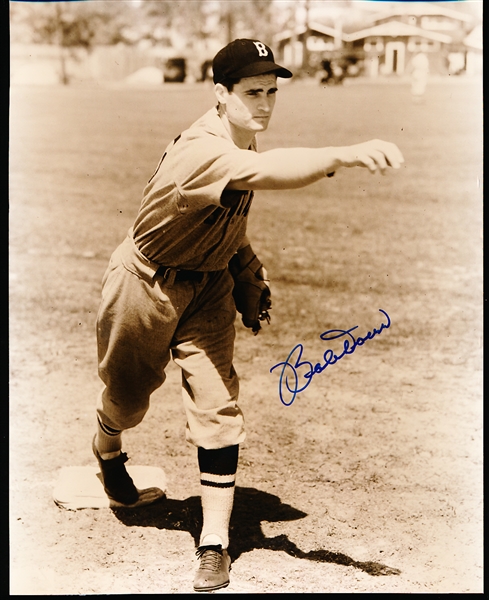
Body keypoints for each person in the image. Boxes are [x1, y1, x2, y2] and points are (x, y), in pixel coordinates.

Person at [92, 38, 404, 592]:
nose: (263, 103)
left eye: (271, 92)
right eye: (251, 92)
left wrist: (245, 270)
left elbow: (229, 219)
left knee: (219, 406)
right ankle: (108, 449)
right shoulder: (201, 147)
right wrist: (340, 154)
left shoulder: (244, 135)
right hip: (146, 281)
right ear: (220, 94)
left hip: (207, 287)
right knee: (128, 399)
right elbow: (269, 174)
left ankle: (214, 542)